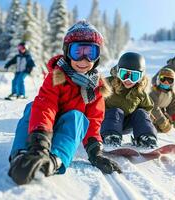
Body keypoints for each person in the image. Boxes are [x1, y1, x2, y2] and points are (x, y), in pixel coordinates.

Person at [8, 21, 121, 185]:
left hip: (67, 132)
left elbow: (93, 123)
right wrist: (39, 143)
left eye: (90, 52)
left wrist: (95, 153)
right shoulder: (57, 76)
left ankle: (54, 160)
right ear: (67, 52)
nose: (84, 59)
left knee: (77, 117)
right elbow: (46, 106)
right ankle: (22, 155)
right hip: (42, 129)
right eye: (78, 52)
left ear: (97, 57)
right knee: (33, 107)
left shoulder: (96, 89)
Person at [100, 52, 157, 148]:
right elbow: (93, 98)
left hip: (125, 124)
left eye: (134, 76)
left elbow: (148, 107)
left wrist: (143, 121)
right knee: (115, 111)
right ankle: (111, 137)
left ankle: (146, 138)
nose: (128, 80)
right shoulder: (108, 84)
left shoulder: (140, 92)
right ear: (118, 72)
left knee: (141, 113)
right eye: (124, 74)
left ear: (141, 77)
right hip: (106, 122)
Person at [150, 68, 175, 133]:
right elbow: (153, 107)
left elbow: (173, 108)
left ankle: (156, 126)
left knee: (167, 126)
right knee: (157, 122)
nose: (166, 82)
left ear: (173, 82)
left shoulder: (172, 94)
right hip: (149, 111)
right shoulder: (154, 91)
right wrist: (162, 121)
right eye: (163, 79)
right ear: (159, 80)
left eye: (169, 80)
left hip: (160, 112)